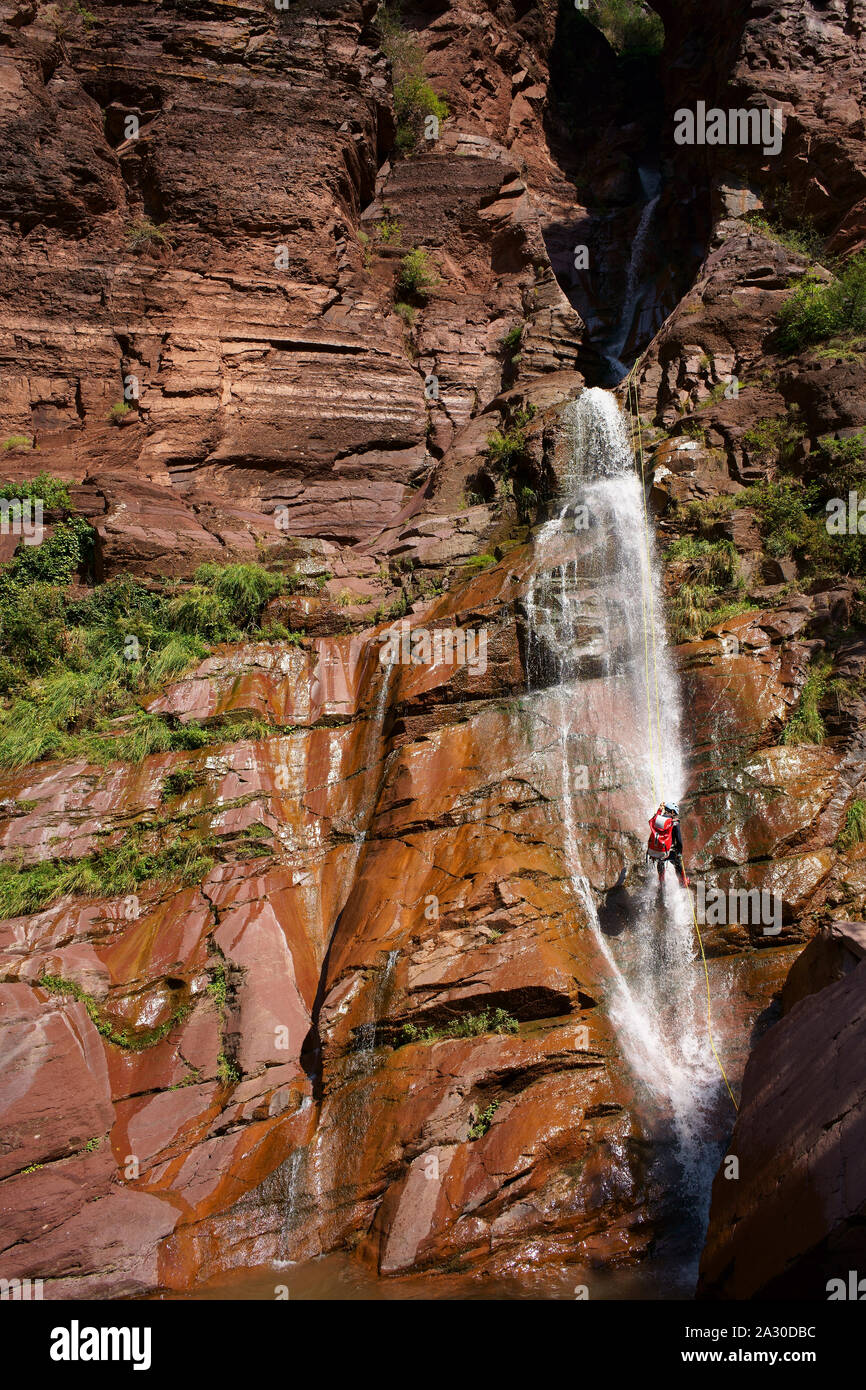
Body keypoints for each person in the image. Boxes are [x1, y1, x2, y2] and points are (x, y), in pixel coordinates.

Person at [646, 801, 689, 887]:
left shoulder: (657, 819)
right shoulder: (674, 822)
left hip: (656, 851)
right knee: (677, 862)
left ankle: (661, 881)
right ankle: (682, 881)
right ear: (672, 812)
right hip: (668, 851)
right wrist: (680, 852)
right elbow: (679, 840)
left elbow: (651, 822)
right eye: (675, 814)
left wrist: (659, 809)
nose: (675, 816)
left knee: (660, 861)